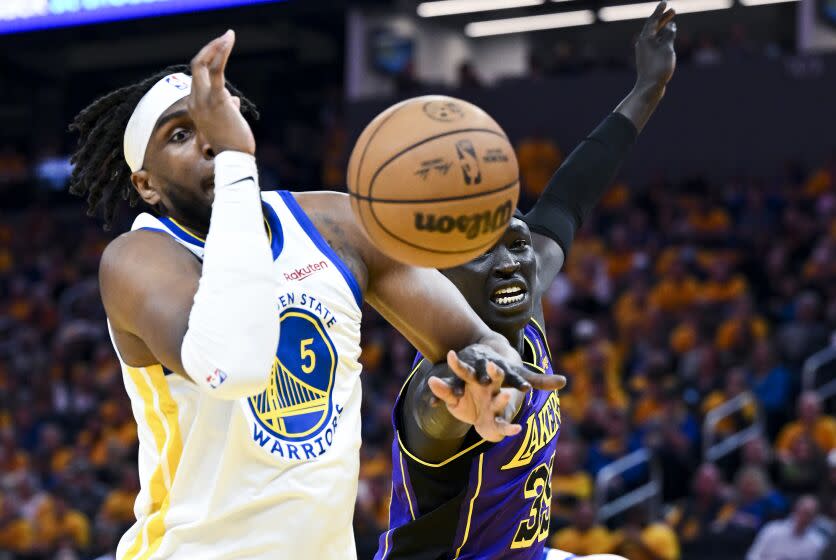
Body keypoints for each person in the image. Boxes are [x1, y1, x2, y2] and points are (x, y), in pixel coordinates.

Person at [68, 30, 561, 559]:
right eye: (182, 134)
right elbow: (232, 367)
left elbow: (473, 338)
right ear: (146, 184)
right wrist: (236, 160)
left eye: (216, 119)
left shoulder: (335, 224)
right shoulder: (138, 260)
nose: (210, 138)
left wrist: (492, 383)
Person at [375, 3, 677, 559]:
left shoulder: (521, 297)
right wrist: (465, 405)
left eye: (515, 244)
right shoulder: (444, 378)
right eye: (478, 254)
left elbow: (568, 197)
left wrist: (648, 89)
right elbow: (434, 412)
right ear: (441, 276)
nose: (509, 263)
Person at [745, 495, 826, 560]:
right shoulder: (772, 529)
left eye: (809, 514)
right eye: (803, 512)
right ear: (795, 510)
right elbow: (753, 555)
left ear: (815, 517)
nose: (804, 517)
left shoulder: (818, 542)